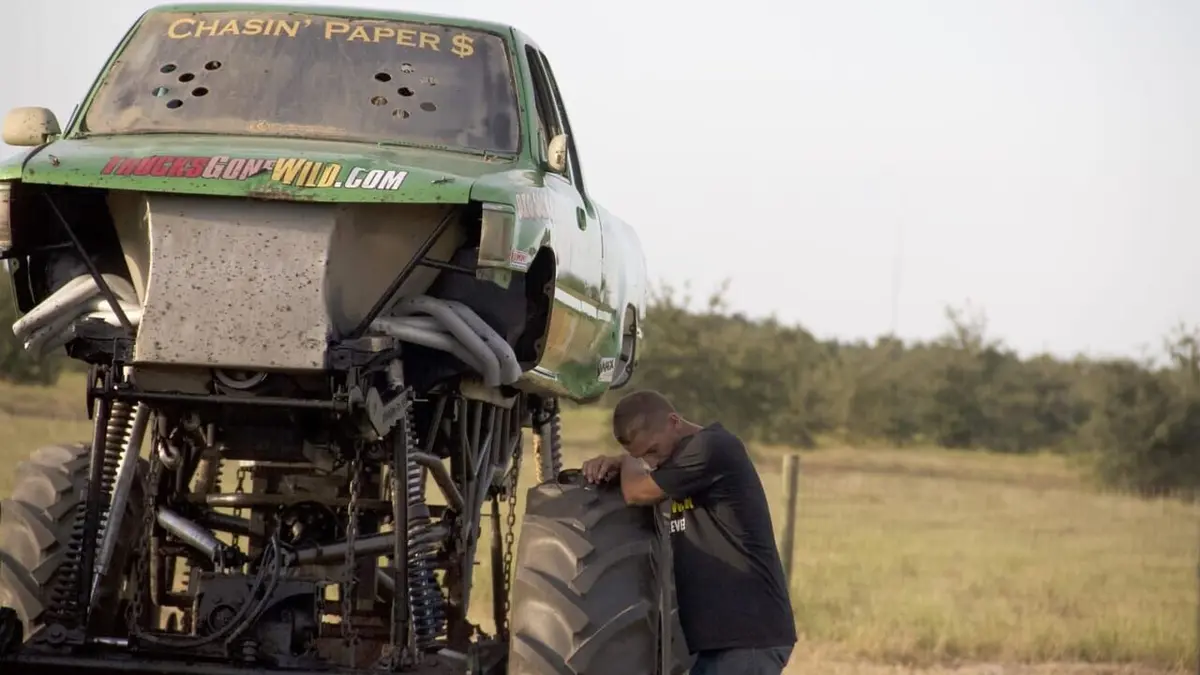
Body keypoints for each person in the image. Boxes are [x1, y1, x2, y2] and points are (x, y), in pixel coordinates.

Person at [581, 390, 797, 675]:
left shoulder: (712, 447)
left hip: (747, 638)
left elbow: (636, 492)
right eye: (643, 456)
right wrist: (631, 461)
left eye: (652, 451)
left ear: (674, 422)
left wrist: (629, 461)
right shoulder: (682, 464)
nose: (653, 463)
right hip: (719, 643)